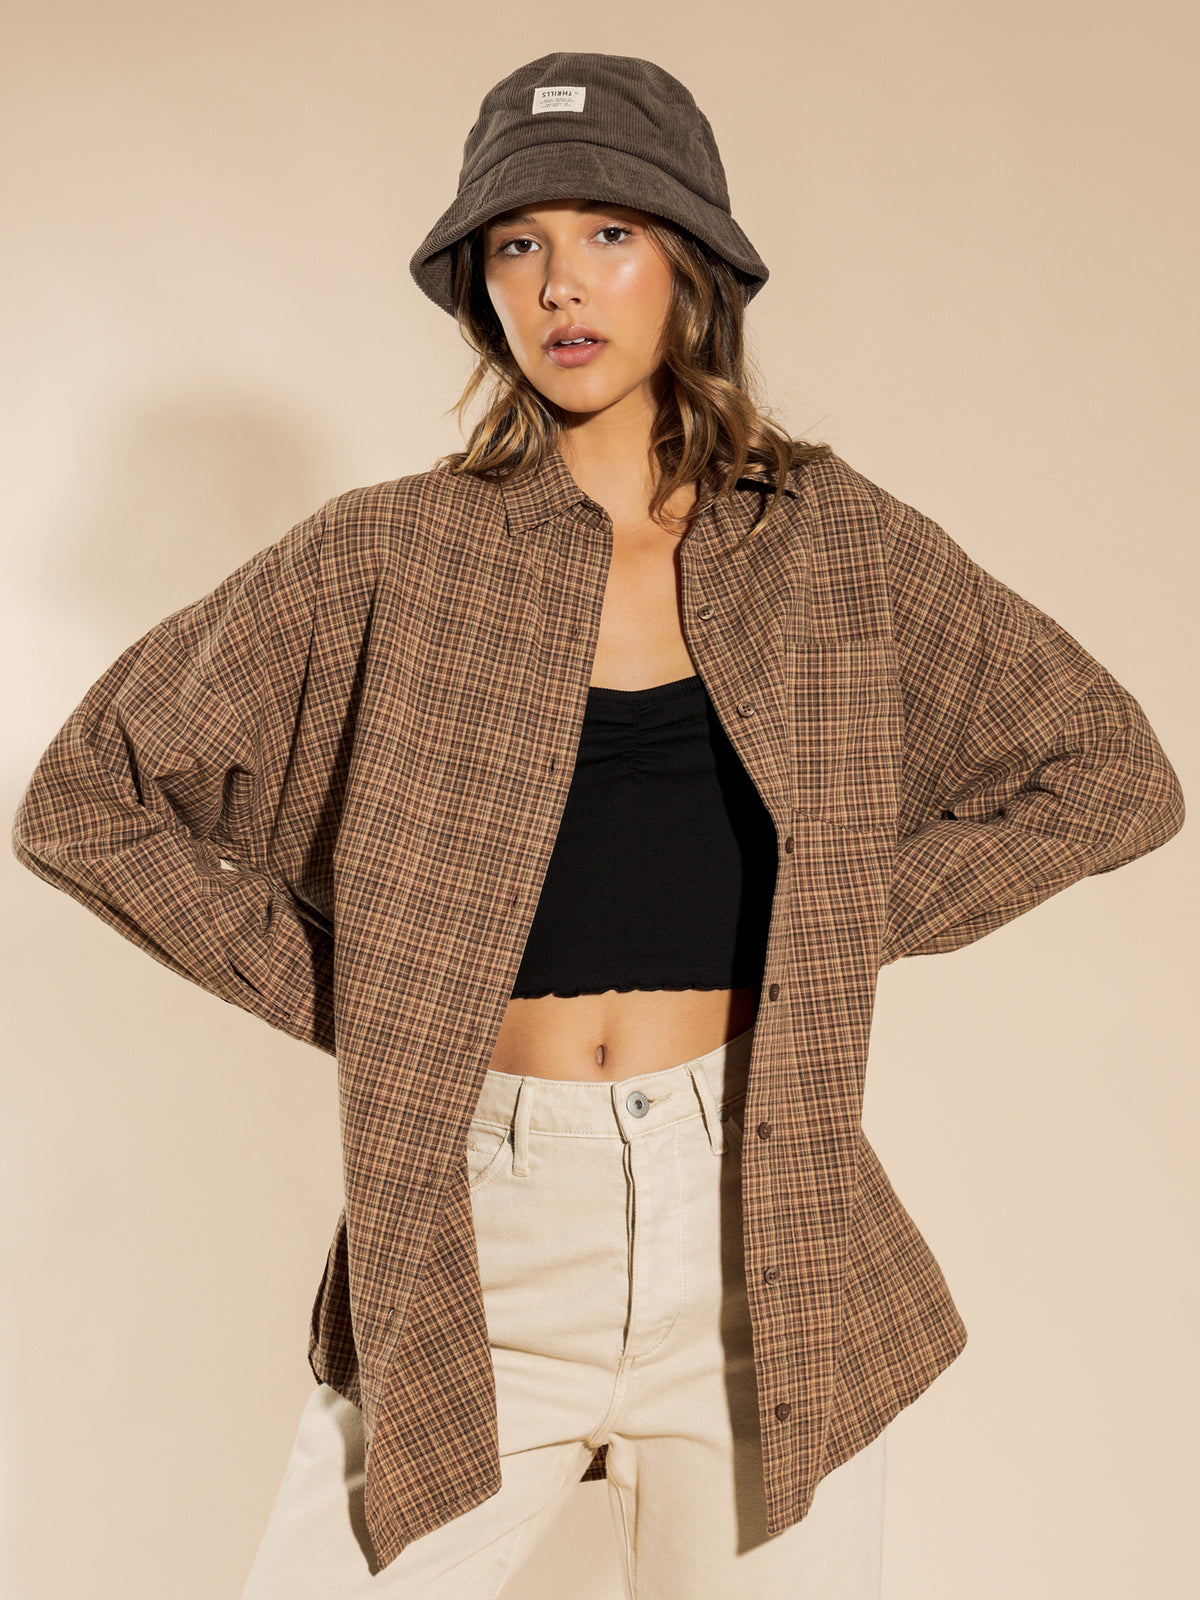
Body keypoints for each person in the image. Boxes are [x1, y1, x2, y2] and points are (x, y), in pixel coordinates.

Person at [10, 50, 1185, 1600]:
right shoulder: (385, 555)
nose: (562, 282)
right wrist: (366, 992)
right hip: (479, 1225)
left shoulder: (831, 545)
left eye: (609, 234)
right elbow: (83, 800)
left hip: (757, 1229)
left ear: (688, 266)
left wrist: (839, 920)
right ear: (481, 289)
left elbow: (1112, 771)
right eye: (519, 244)